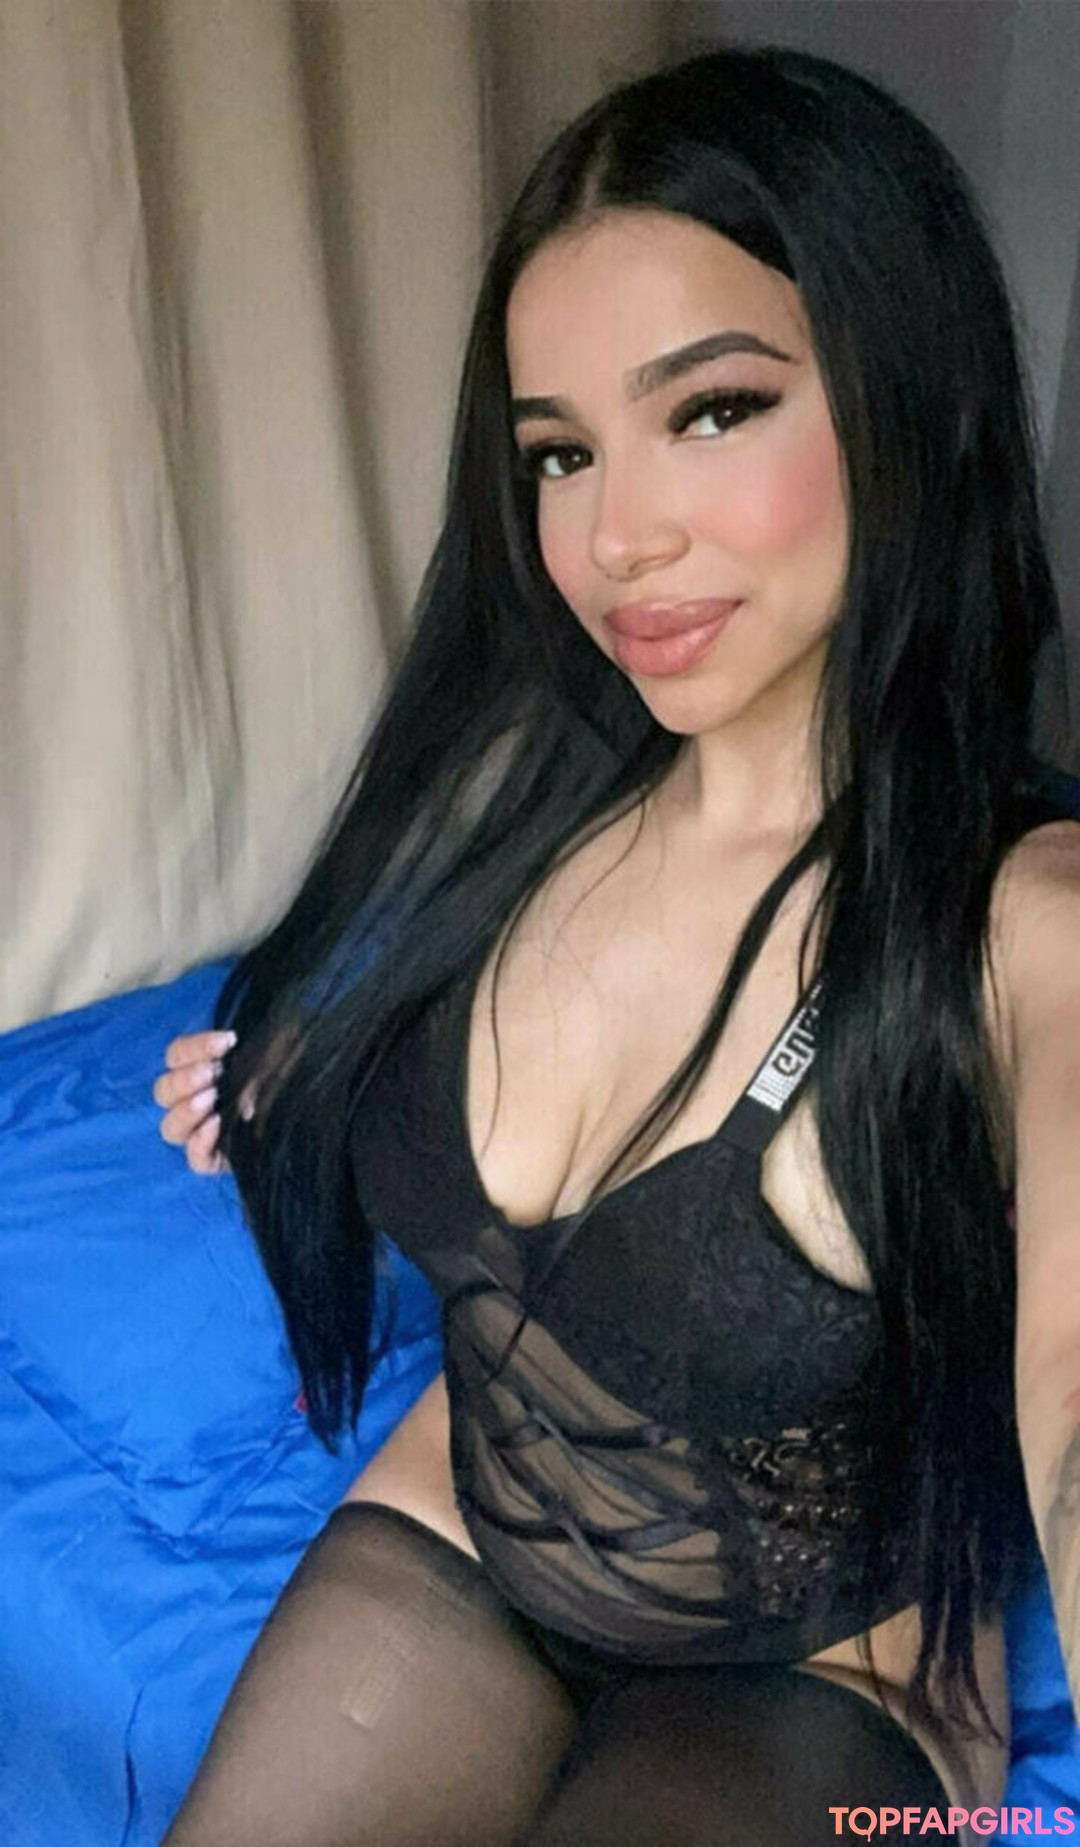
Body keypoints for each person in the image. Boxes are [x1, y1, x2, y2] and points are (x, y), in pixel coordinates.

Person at [153, 45, 1080, 1846]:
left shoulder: (1022, 921)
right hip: (463, 1523)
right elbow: (416, 1031)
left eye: (711, 411)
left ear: (904, 394)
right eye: (560, 452)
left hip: (819, 1669)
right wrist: (291, 1074)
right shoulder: (534, 785)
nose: (613, 537)